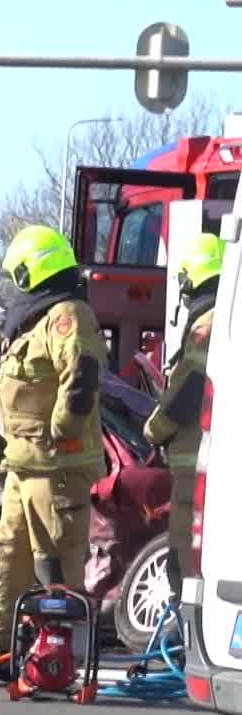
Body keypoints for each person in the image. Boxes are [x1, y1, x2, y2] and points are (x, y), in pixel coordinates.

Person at [0, 225, 108, 655]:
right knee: (10, 552)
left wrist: (60, 431)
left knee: (57, 560)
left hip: (56, 467)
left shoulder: (67, 315)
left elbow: (82, 376)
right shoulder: (38, 319)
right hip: (24, 464)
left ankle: (63, 652)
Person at [144, 231, 223, 591]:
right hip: (214, 453)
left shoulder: (207, 323)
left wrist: (154, 429)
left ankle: (182, 632)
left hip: (195, 458)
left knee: (184, 551)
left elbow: (189, 389)